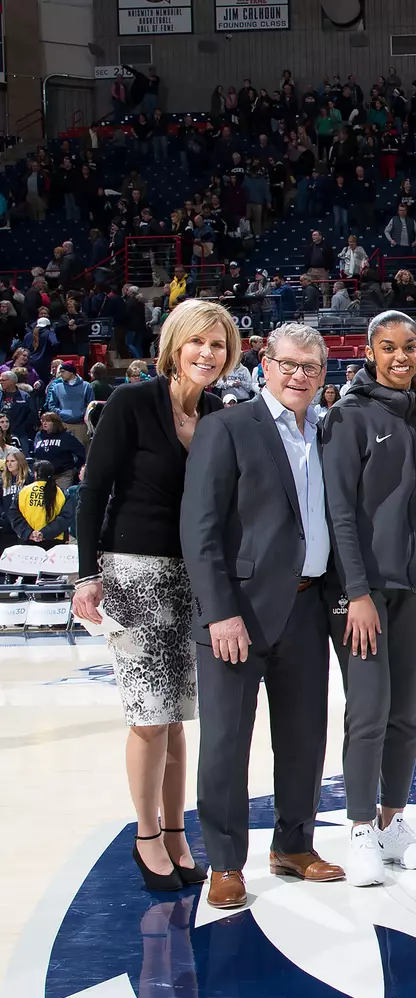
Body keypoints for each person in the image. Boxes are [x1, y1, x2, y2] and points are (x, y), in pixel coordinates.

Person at [71, 298, 235, 892]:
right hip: (134, 573)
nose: (207, 353)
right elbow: (94, 492)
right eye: (197, 342)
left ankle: (175, 832)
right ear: (174, 345)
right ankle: (146, 837)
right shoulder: (131, 402)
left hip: (194, 578)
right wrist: (86, 574)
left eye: (218, 345)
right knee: (149, 717)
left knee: (178, 718)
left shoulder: (217, 413)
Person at [181, 322, 345, 910]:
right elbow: (199, 528)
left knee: (304, 735)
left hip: (308, 605)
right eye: (289, 364)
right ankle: (225, 863)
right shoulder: (227, 427)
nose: (300, 376)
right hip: (238, 612)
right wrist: (219, 612)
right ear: (265, 365)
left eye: (311, 367)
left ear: (323, 374)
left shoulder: (328, 431)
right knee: (226, 742)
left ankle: (293, 845)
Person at [320, 310, 416, 888]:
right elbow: (339, 514)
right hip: (364, 592)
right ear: (370, 353)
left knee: (405, 716)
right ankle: (359, 829)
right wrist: (357, 592)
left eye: (410, 347)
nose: (401, 357)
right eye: (389, 348)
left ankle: (393, 821)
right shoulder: (347, 416)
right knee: (368, 711)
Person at [9, 459, 74, 545]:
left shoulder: (23, 492)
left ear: (35, 474)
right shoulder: (62, 494)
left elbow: (14, 515)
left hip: (28, 541)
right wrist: (44, 533)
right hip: (55, 542)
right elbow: (65, 518)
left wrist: (29, 533)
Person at [31, 411, 85, 488]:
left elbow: (81, 450)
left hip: (63, 475)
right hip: (43, 476)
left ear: (55, 423)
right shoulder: (39, 435)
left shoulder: (66, 436)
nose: (44, 423)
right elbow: (36, 453)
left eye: (48, 421)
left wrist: (76, 467)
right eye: (43, 421)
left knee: (62, 495)